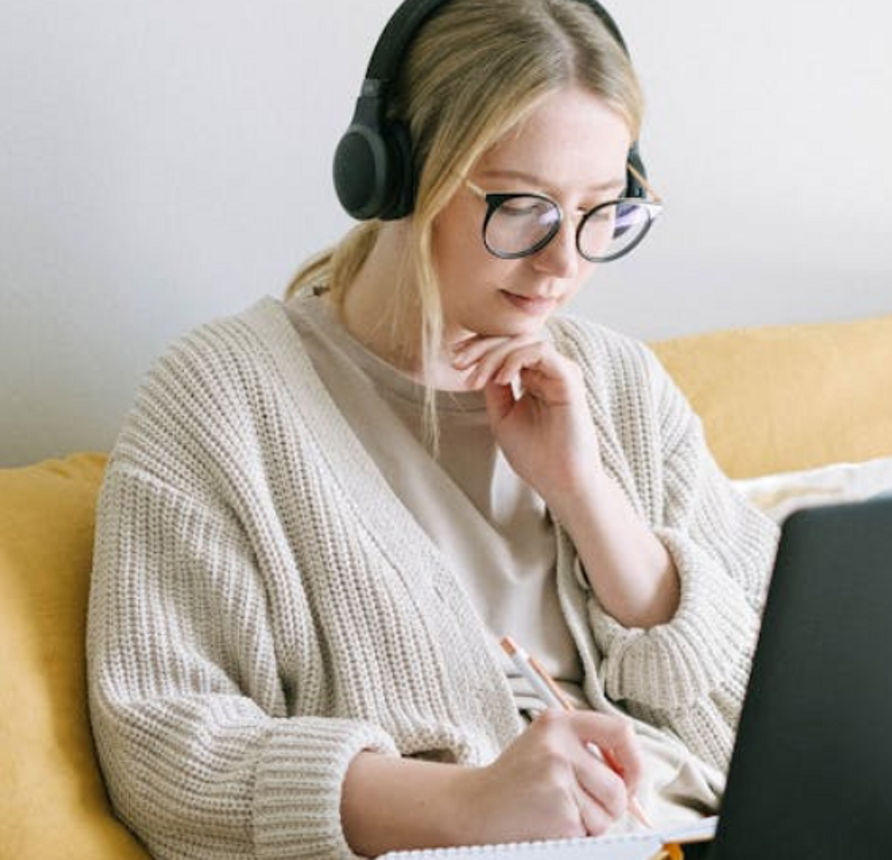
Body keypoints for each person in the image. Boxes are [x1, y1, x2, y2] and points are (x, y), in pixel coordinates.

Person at [86, 1, 779, 857]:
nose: (566, 262)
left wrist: (589, 497)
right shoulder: (225, 403)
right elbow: (166, 748)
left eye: (603, 209)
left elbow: (789, 693)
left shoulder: (621, 383)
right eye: (525, 207)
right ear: (400, 178)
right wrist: (469, 805)